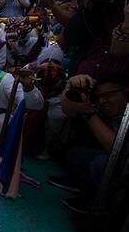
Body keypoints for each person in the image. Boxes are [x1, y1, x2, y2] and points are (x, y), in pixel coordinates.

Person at [50, 70, 128, 213]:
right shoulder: (109, 110)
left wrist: (90, 114)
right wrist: (70, 86)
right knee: (76, 154)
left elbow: (119, 150)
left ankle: (104, 207)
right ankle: (89, 191)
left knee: (101, 165)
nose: (102, 101)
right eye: (99, 97)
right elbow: (68, 110)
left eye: (107, 95)